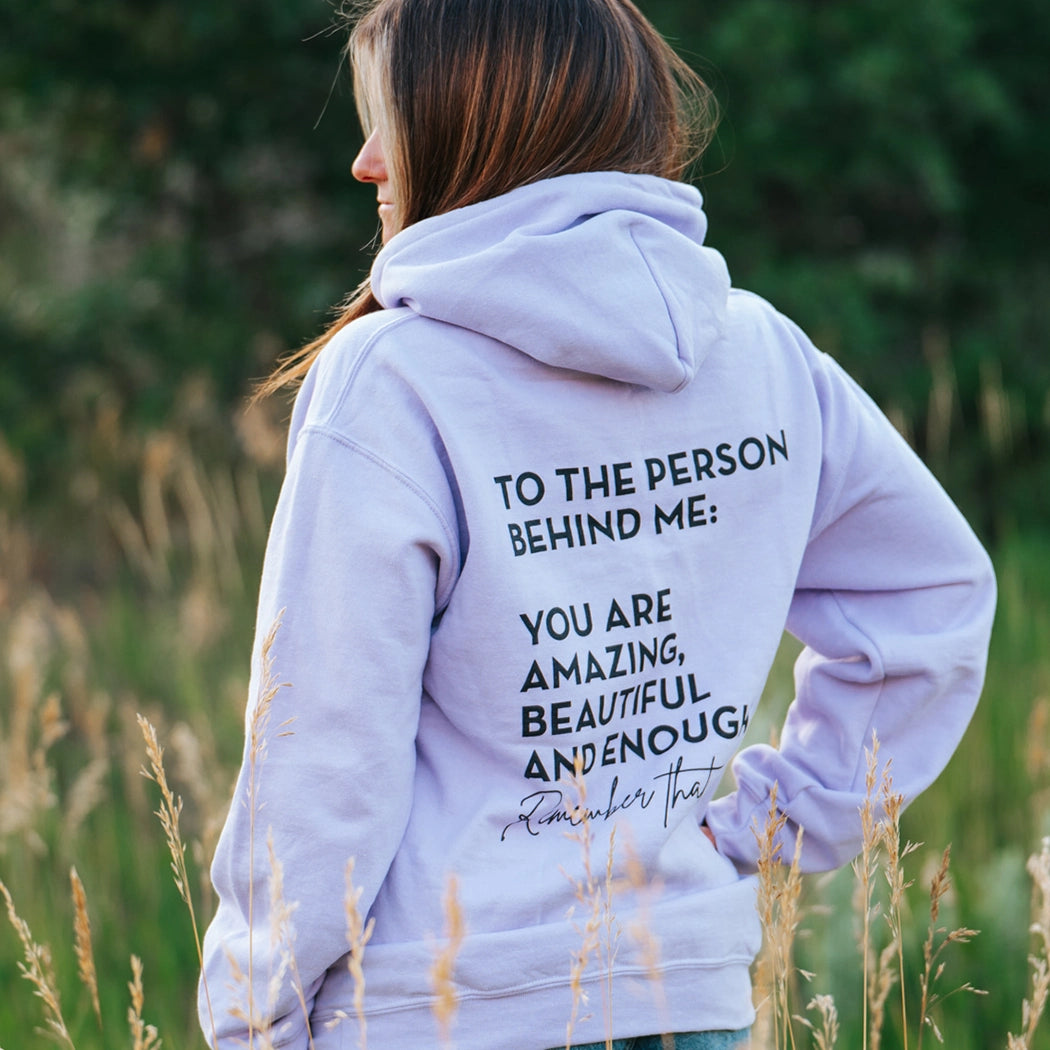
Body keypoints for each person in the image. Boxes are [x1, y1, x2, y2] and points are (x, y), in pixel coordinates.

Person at [198, 0, 997, 1047]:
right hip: (684, 995)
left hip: (438, 1012)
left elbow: (325, 756)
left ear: (479, 124)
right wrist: (779, 819)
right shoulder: (760, 356)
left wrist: (253, 1014)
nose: (364, 162)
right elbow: (931, 603)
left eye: (388, 118)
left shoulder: (391, 380)